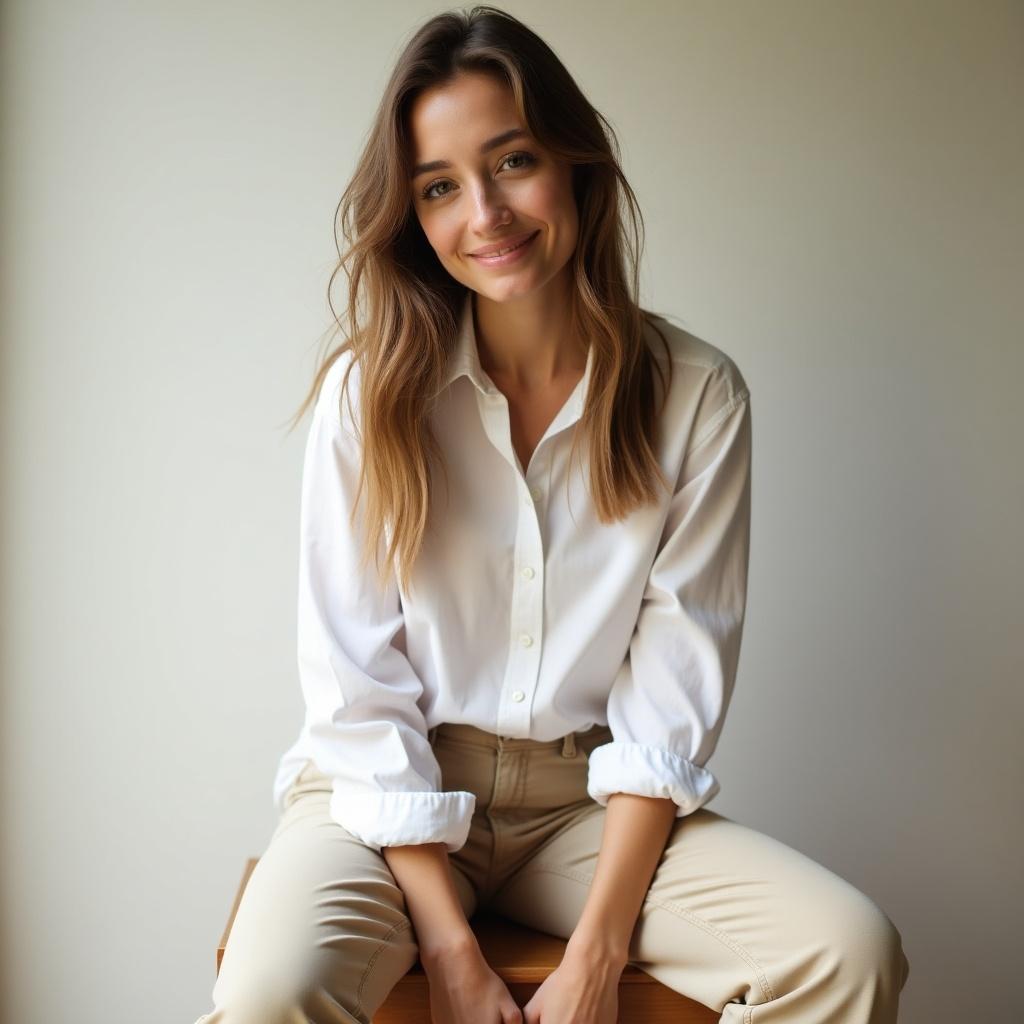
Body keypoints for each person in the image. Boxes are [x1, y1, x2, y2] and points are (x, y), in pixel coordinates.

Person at [194, 6, 910, 1023]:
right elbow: (357, 695)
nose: (482, 211)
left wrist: (594, 957)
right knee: (267, 991)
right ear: (412, 214)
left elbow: (670, 693)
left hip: (585, 804)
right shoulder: (370, 396)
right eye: (439, 185)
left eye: (512, 160)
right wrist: (449, 950)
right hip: (379, 794)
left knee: (848, 950)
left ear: (575, 164)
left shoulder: (696, 396)